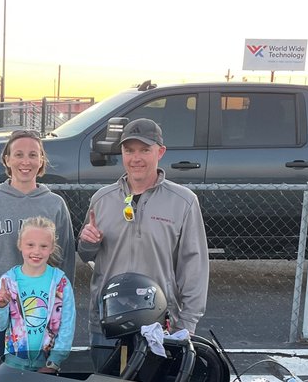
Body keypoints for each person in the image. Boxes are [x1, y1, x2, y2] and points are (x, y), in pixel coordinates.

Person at [77, 118, 209, 366]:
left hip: (158, 325)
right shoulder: (102, 199)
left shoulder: (183, 201)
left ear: (160, 152)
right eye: (129, 150)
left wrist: (187, 324)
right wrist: (88, 243)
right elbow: (86, 254)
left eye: (144, 150)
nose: (136, 158)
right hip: (108, 323)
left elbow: (195, 267)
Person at [0, 130, 75, 363]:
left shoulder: (55, 204)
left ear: (41, 160)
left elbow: (66, 263)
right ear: (7, 159)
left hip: (42, 313)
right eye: (19, 154)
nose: (26, 161)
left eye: (33, 155)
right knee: (1, 378)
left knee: (40, 379)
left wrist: (62, 308)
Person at [0, 216, 75, 373]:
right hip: (13, 362)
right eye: (30, 245)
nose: (36, 251)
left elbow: (67, 326)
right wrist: (0, 306)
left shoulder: (61, 283)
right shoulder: (8, 281)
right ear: (20, 245)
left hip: (47, 363)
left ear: (51, 248)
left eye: (44, 246)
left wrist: (54, 362)